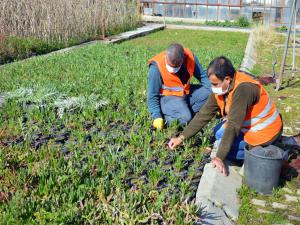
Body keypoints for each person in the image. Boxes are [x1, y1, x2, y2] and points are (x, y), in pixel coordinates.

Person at [168, 56, 283, 176]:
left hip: (265, 132)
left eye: (215, 84)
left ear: (227, 79)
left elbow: (233, 125)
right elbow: (204, 115)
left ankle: (269, 152)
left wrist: (219, 157)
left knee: (228, 152)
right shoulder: (222, 88)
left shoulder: (244, 89)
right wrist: (181, 138)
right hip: (247, 127)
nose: (213, 88)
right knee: (218, 133)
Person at [147, 43, 211, 130]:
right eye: (170, 66)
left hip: (187, 93)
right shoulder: (156, 67)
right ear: (166, 56)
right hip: (168, 98)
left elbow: (203, 76)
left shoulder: (190, 58)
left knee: (212, 94)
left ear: (183, 59)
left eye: (176, 67)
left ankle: (184, 113)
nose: (173, 70)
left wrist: (218, 96)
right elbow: (152, 95)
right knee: (185, 118)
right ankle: (166, 119)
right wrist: (157, 116)